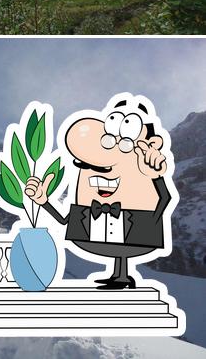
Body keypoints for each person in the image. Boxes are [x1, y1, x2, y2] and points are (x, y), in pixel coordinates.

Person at [26, 95, 174, 290]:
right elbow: (64, 221)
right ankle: (118, 275)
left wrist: (150, 221)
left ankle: (121, 276)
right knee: (118, 248)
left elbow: (166, 197)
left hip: (135, 224)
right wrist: (43, 200)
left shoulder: (146, 165)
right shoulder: (87, 202)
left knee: (123, 247)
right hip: (98, 225)